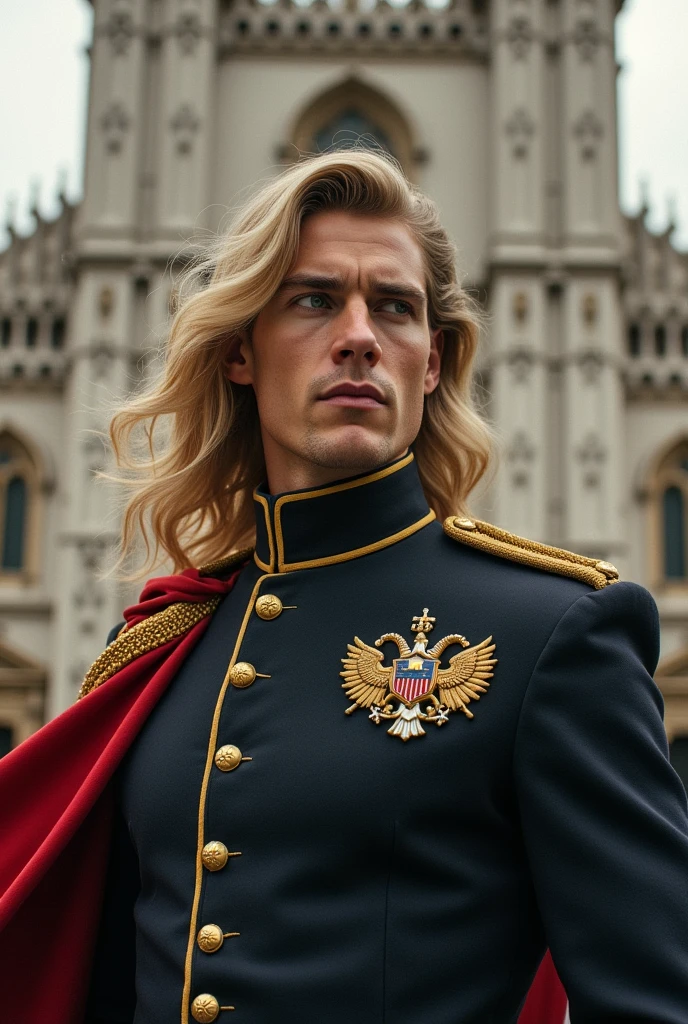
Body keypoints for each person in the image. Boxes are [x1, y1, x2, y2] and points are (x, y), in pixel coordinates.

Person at [1, 150, 687, 1024]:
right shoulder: (167, 645)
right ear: (241, 351)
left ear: (431, 363)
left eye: (395, 307)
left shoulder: (554, 630)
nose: (360, 333)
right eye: (316, 299)